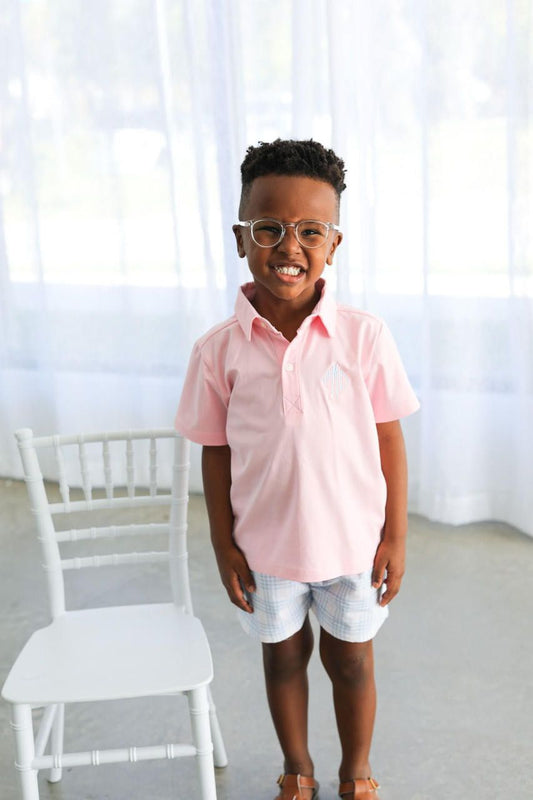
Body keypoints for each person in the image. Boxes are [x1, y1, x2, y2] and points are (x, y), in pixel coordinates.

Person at [175, 139, 420, 800]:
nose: (289, 247)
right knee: (283, 657)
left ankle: (354, 769)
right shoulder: (217, 350)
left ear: (333, 245)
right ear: (240, 238)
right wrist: (223, 542)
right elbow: (215, 449)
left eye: (310, 231)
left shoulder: (364, 336)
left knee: (349, 660)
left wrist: (394, 534)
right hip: (267, 550)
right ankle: (297, 767)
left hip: (352, 545)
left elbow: (388, 435)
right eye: (269, 229)